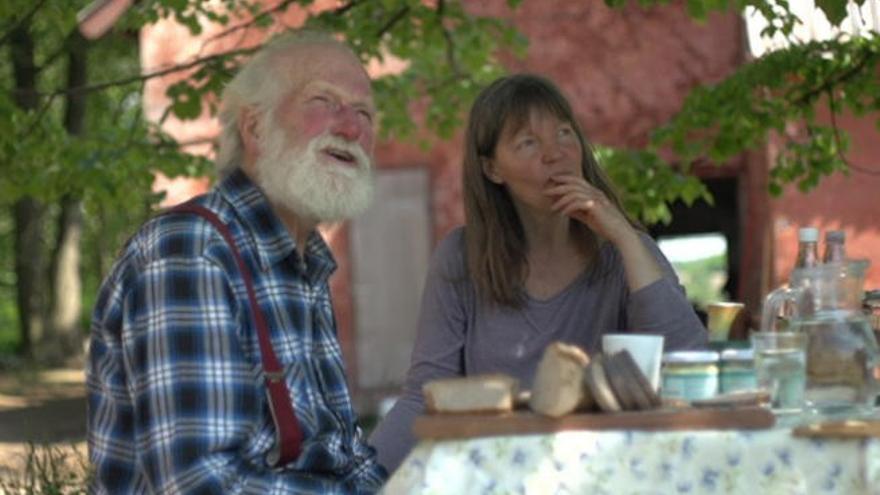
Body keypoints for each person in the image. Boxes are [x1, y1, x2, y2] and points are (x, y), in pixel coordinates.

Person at [87, 31, 386, 493]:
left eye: (364, 112)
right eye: (322, 101)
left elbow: (344, 458)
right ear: (255, 127)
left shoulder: (307, 265)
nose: (350, 128)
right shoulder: (190, 251)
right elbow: (199, 481)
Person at [370, 74, 708, 473]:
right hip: (494, 476)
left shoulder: (625, 254)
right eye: (529, 142)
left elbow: (690, 365)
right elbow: (423, 397)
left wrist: (624, 235)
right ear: (493, 169)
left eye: (565, 134)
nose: (556, 154)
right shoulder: (461, 257)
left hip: (605, 474)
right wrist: (359, 478)